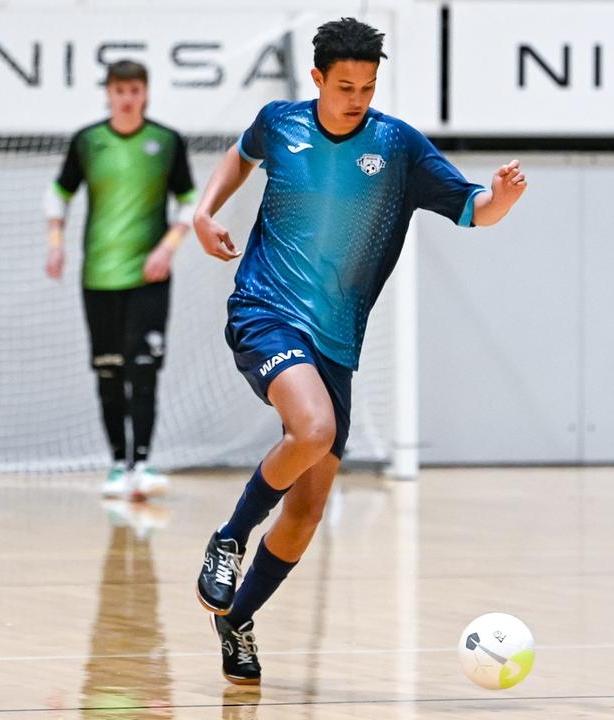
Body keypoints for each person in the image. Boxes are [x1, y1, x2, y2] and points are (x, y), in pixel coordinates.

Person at [191, 18, 527, 684]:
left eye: (367, 87)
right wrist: (205, 211)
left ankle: (237, 618)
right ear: (316, 78)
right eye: (344, 85)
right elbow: (241, 152)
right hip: (265, 311)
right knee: (311, 429)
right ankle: (229, 536)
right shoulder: (279, 123)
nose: (356, 98)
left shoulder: (396, 147)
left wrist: (501, 200)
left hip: (335, 342)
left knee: (308, 508)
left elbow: (471, 210)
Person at [46, 60, 196, 501]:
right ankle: (117, 464)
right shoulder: (87, 141)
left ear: (145, 93)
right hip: (98, 278)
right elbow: (58, 193)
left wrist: (169, 247)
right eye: (119, 90)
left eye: (135, 89)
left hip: (149, 278)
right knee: (109, 372)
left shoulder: (166, 142)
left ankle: (143, 465)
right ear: (108, 93)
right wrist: (55, 243)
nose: (127, 97)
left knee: (144, 370)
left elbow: (189, 201)